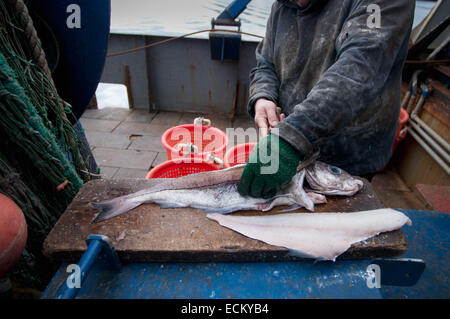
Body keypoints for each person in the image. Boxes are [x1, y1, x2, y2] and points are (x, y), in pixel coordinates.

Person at [238, 0, 415, 199]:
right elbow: (266, 63)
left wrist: (293, 136)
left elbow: (358, 69)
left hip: (348, 150)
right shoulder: (282, 6)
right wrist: (263, 96)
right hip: (290, 139)